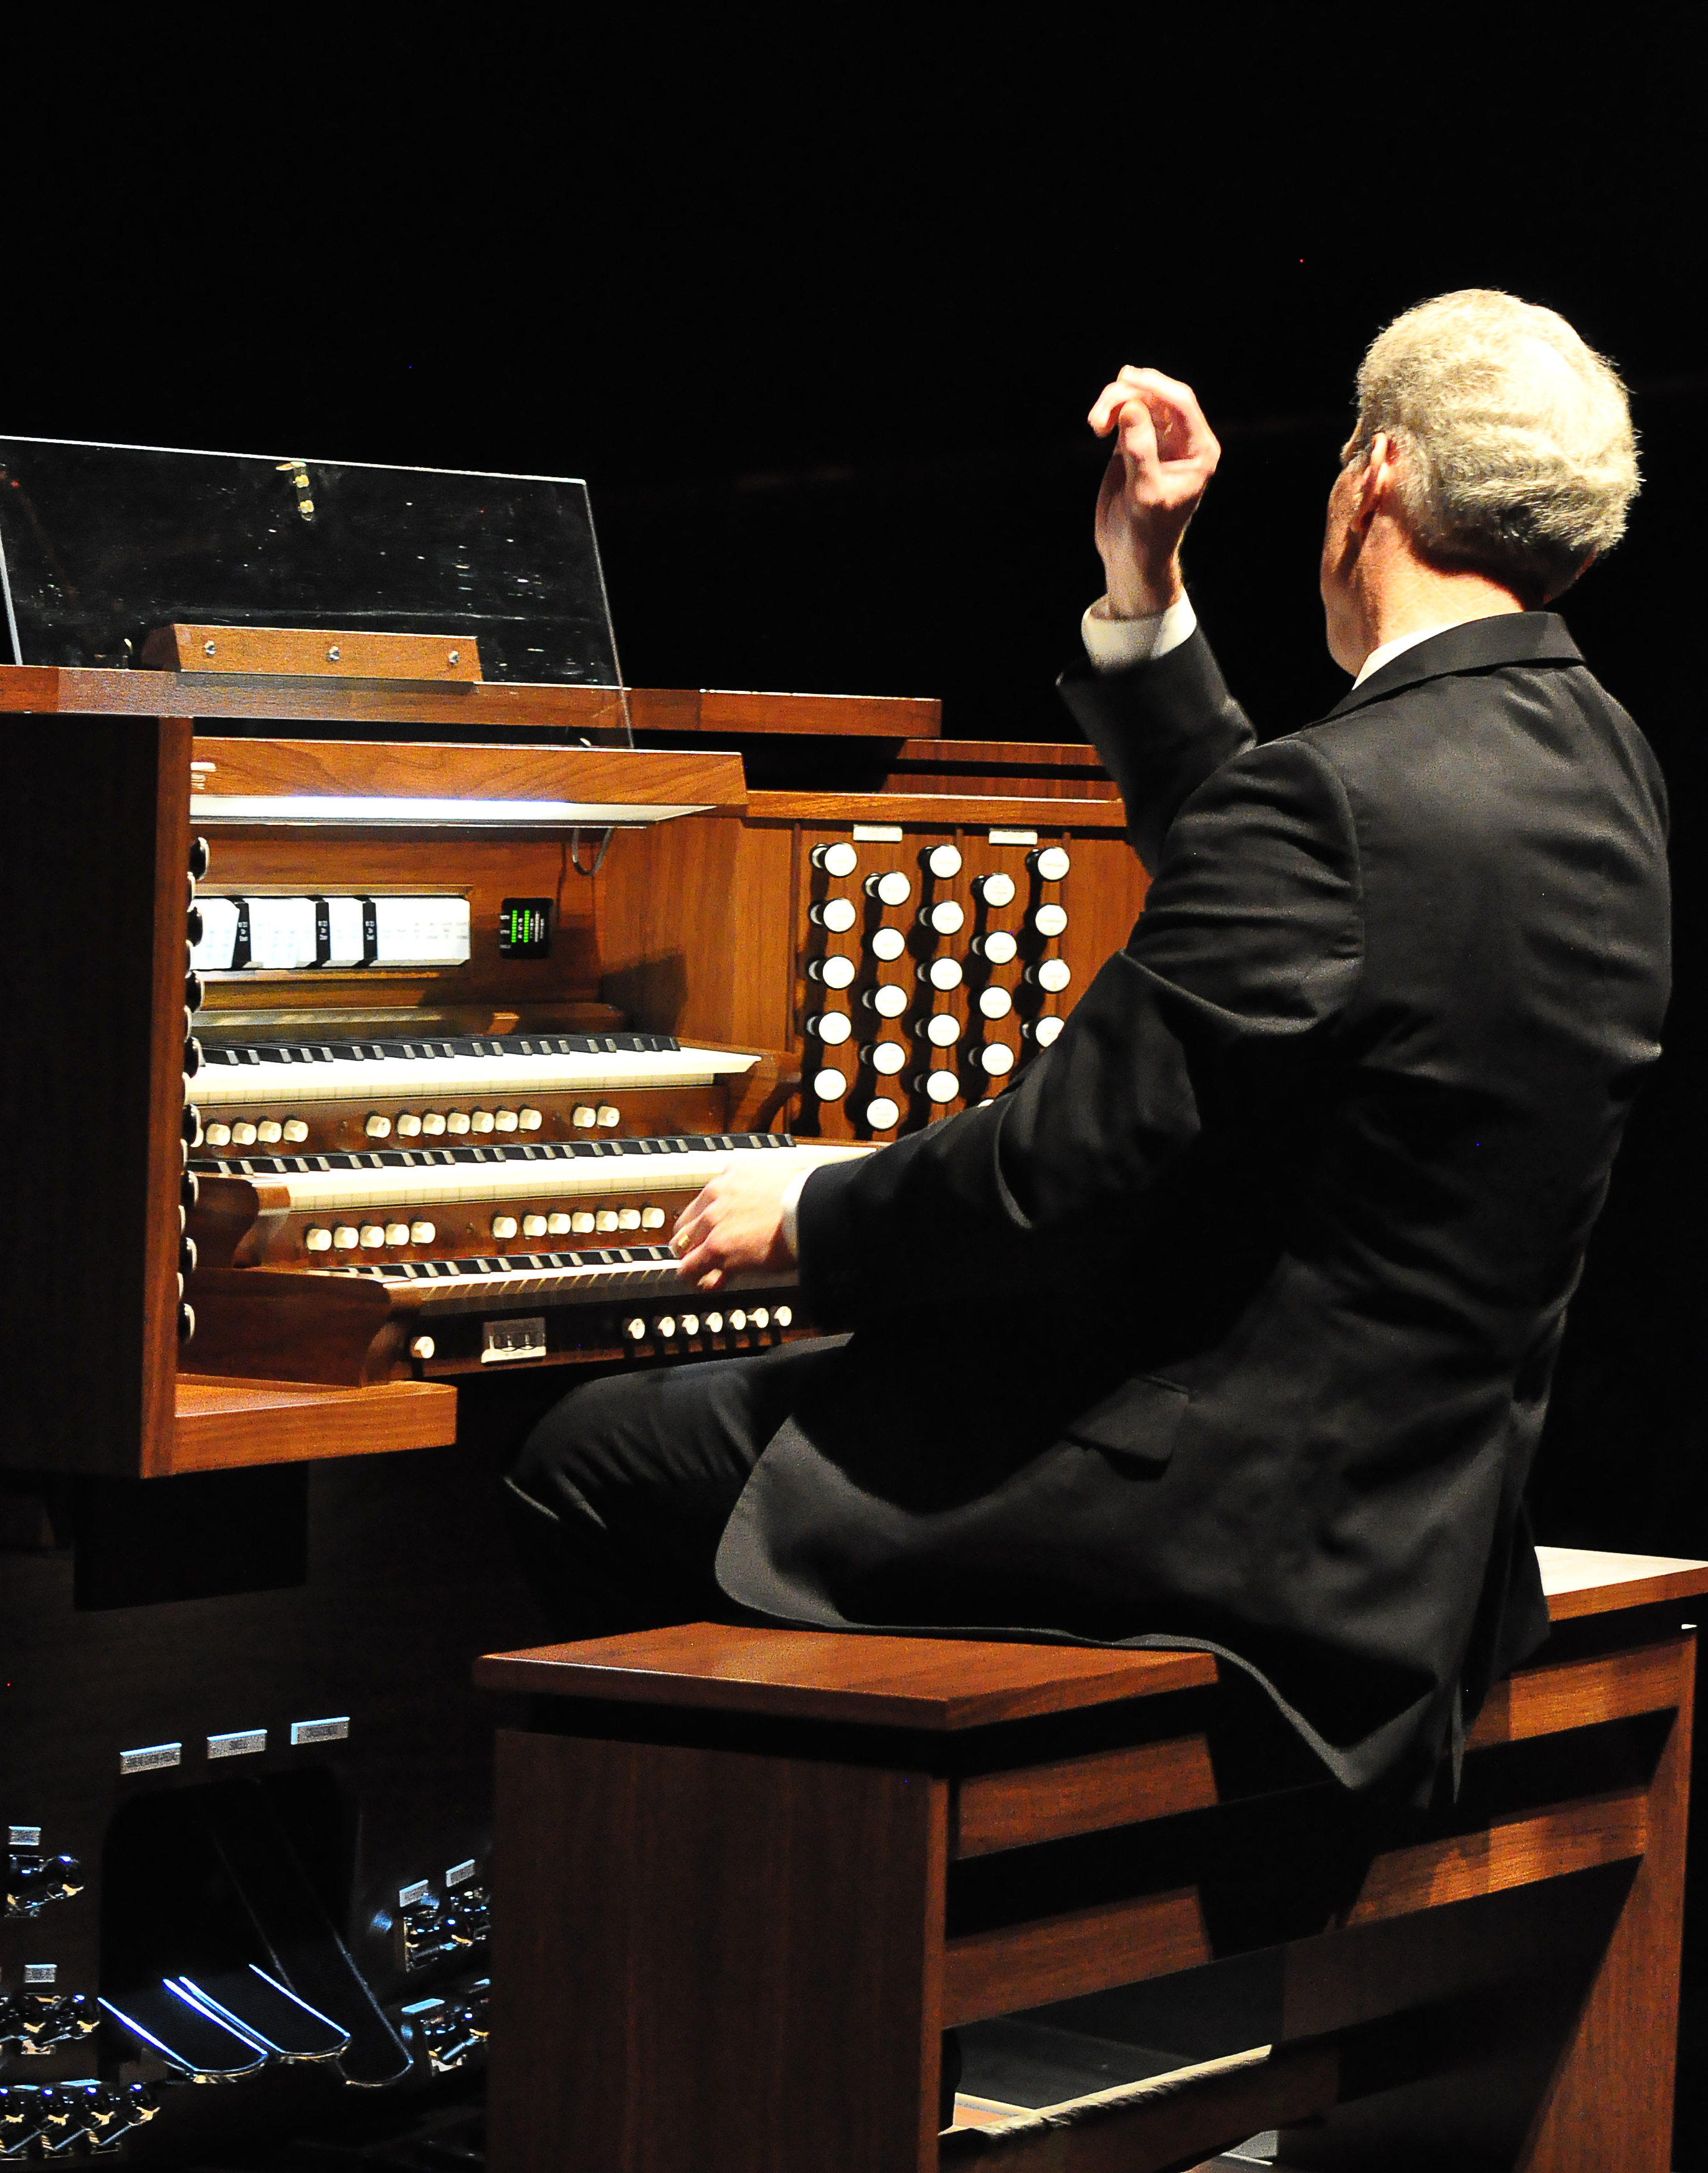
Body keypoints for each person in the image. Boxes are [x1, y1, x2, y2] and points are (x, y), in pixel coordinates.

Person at [507, 290, 1668, 1803]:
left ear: (1372, 474)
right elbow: (1295, 920)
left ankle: (760, 1974)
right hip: (1415, 1524)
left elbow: (1057, 1171)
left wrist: (812, 1209)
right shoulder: (1605, 768)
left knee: (586, 1460)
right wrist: (1144, 591)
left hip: (1226, 1533)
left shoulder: (1338, 805)